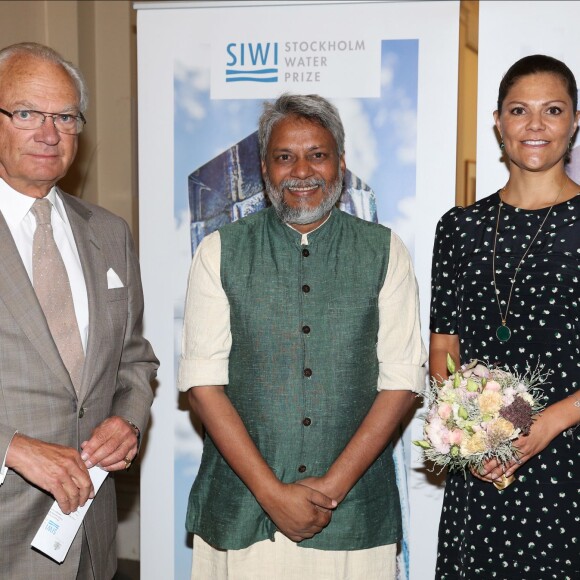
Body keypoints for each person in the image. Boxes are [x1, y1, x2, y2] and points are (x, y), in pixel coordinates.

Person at [178, 93, 427, 579]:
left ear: (340, 163)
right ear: (264, 168)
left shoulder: (384, 251)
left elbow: (401, 381)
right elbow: (204, 386)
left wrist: (329, 489)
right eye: (284, 157)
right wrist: (273, 495)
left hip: (355, 513)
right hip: (243, 510)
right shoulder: (219, 252)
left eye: (317, 154)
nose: (302, 172)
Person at [0, 42, 158, 579]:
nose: (50, 133)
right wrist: (11, 448)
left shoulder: (110, 234)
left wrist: (129, 420)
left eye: (65, 117)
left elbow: (135, 360)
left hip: (92, 537)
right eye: (26, 113)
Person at [430, 54, 580, 579]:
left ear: (575, 121)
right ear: (498, 122)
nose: (535, 125)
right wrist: (468, 439)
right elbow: (444, 349)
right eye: (519, 110)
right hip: (485, 472)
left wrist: (548, 423)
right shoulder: (458, 228)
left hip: (570, 463)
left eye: (553, 110)